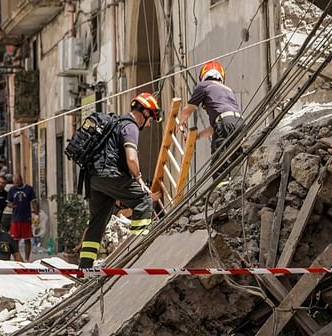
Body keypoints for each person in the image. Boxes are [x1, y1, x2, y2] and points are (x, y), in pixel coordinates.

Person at [78, 92, 163, 269]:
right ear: (145, 113)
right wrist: (139, 180)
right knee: (144, 199)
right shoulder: (130, 126)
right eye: (151, 119)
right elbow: (131, 158)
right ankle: (137, 254)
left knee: (97, 223)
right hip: (111, 175)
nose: (149, 125)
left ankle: (84, 268)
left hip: (94, 179)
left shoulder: (114, 124)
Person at [177, 60, 244, 181]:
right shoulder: (227, 90)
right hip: (239, 122)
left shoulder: (204, 85)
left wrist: (180, 124)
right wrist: (198, 136)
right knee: (235, 157)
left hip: (224, 123)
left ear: (204, 75)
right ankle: (236, 186)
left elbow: (188, 109)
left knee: (218, 162)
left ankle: (219, 191)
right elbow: (216, 127)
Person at [7, 174, 36, 261]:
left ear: (21, 180)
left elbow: (34, 201)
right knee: (15, 239)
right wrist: (11, 205)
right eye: (14, 182)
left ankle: (27, 258)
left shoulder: (29, 189)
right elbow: (8, 202)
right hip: (15, 217)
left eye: (17, 181)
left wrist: (36, 212)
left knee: (27, 239)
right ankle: (18, 258)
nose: (15, 183)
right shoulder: (12, 190)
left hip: (26, 217)